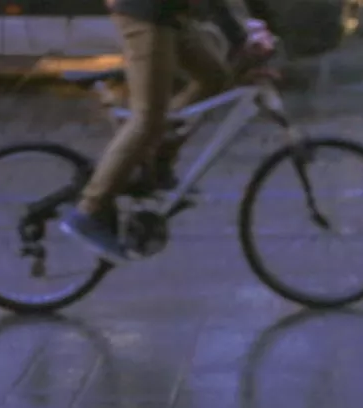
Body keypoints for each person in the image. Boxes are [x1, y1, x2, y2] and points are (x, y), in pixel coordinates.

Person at [59, 0, 275, 262]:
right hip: (146, 15)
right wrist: (241, 36)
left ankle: (156, 162)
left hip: (171, 15)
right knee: (149, 117)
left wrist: (244, 31)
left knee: (216, 76)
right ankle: (89, 211)